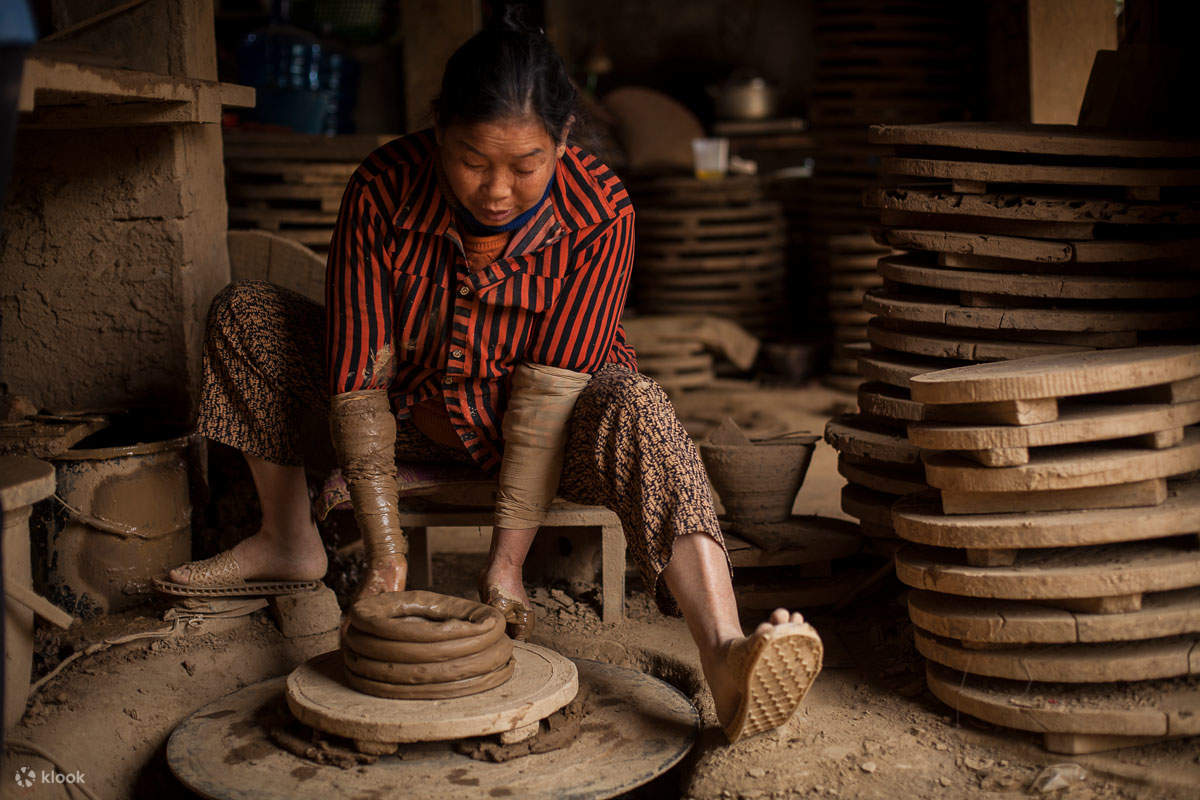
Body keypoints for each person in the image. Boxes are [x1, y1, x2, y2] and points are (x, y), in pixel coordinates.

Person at [162, 10, 821, 743]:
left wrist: (506, 567)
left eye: (526, 164)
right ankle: (289, 540)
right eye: (474, 160)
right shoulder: (382, 188)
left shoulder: (602, 212)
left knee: (642, 403)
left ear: (565, 142)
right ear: (438, 129)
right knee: (245, 311)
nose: (497, 190)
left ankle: (723, 654)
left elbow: (545, 408)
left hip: (546, 432)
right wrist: (386, 555)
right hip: (408, 417)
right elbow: (358, 382)